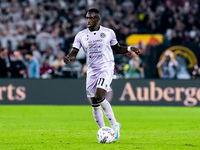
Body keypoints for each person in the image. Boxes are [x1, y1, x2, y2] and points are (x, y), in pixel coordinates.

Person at [63, 8, 140, 142]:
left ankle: (115, 125)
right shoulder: (81, 35)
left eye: (91, 18)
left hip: (106, 67)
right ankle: (103, 131)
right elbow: (74, 52)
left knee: (99, 96)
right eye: (87, 17)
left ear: (97, 19)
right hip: (91, 70)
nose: (88, 20)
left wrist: (129, 49)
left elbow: (117, 49)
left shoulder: (108, 33)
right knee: (94, 102)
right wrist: (69, 58)